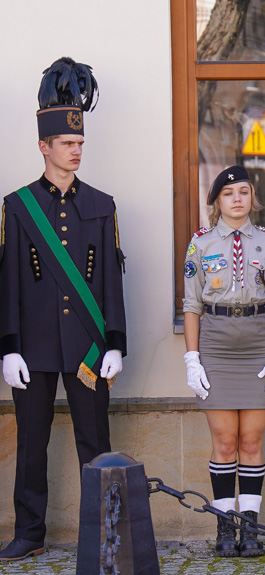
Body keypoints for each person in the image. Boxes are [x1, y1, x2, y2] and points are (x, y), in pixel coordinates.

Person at [0, 57, 126, 561]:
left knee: (96, 443)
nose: (76, 152)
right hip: (33, 347)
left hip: (87, 348)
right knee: (31, 445)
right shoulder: (17, 205)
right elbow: (7, 283)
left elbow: (111, 282)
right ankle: (29, 532)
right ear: (43, 147)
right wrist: (8, 348)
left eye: (80, 144)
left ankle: (106, 535)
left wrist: (115, 342)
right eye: (67, 145)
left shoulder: (101, 204)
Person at [182, 165, 265, 558]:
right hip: (216, 342)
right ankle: (224, 527)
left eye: (244, 192)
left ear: (252, 199)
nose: (237, 199)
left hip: (258, 341)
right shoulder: (200, 244)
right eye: (229, 194)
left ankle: (250, 528)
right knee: (225, 441)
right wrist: (192, 357)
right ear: (217, 201)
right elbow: (192, 304)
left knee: (251, 440)